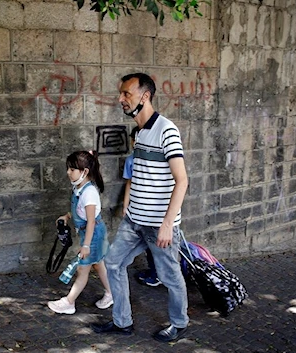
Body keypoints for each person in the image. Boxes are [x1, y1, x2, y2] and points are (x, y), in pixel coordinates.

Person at [91, 73, 190, 342]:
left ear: (144, 96)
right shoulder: (141, 132)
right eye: (121, 94)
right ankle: (122, 322)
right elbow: (140, 176)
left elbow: (182, 181)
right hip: (134, 221)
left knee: (170, 277)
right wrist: (129, 207)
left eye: (126, 94)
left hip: (160, 224)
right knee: (113, 264)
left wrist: (168, 224)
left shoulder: (166, 130)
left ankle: (179, 323)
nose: (120, 99)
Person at [47, 150, 113, 314]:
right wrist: (67, 216)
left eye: (72, 169)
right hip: (90, 233)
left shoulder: (89, 193)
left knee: (83, 268)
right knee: (98, 265)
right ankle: (111, 293)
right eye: (68, 168)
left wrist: (86, 245)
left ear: (84, 172)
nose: (68, 172)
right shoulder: (79, 187)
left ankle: (69, 302)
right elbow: (80, 210)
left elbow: (91, 220)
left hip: (93, 234)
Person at [124, 126, 160, 287]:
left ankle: (157, 275)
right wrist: (126, 206)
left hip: (155, 211)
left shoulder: (159, 159)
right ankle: (156, 273)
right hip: (140, 211)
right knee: (150, 245)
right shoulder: (131, 161)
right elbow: (129, 184)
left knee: (155, 246)